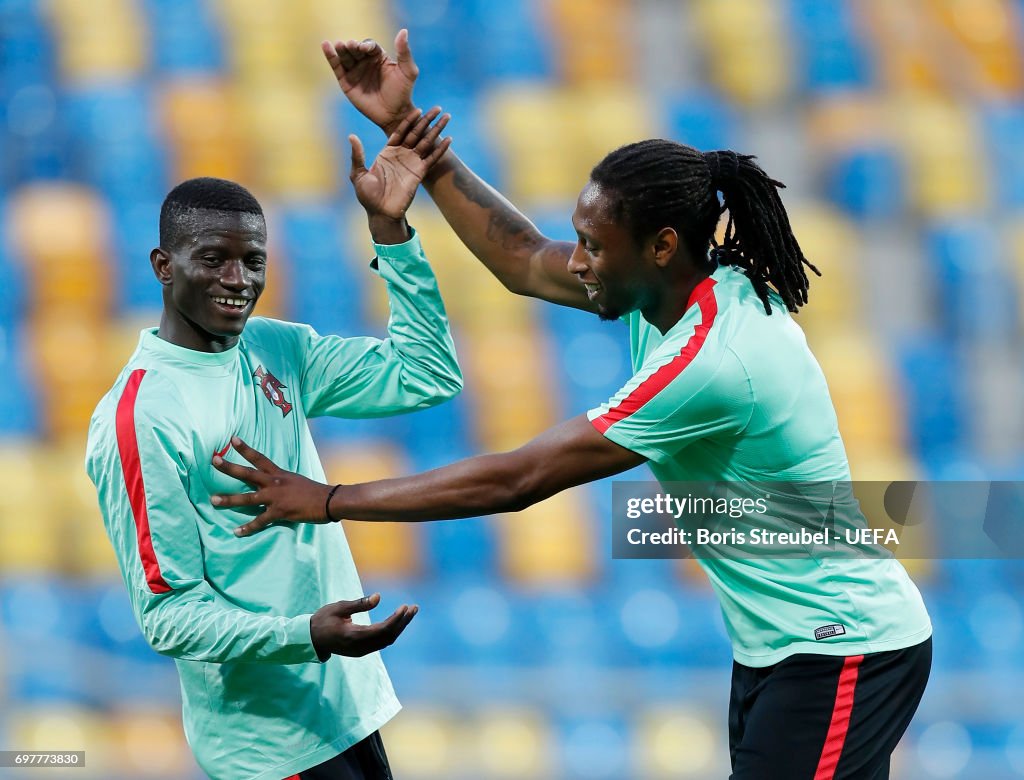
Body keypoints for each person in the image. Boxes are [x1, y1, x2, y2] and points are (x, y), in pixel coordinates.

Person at [209, 35, 933, 779]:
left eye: (593, 244)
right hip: (778, 649)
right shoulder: (673, 292)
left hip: (843, 645)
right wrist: (411, 138)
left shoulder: (713, 362)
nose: (578, 260)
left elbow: (520, 479)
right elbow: (523, 257)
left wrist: (330, 499)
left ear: (660, 246)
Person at [85, 111, 459, 780]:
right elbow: (169, 617)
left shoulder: (274, 348)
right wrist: (303, 636)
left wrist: (391, 234)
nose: (239, 279)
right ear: (162, 267)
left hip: (348, 709)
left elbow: (427, 374)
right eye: (214, 259)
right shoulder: (141, 416)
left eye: (252, 260)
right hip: (269, 744)